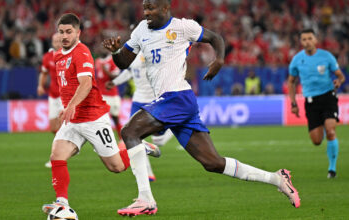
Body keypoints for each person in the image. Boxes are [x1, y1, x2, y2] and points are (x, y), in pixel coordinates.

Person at [103, 0, 300, 216]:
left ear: (165, 8)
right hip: (173, 102)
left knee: (130, 131)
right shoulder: (141, 30)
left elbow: (215, 38)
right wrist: (115, 52)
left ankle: (146, 198)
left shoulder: (183, 27)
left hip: (177, 96)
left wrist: (219, 59)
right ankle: (277, 179)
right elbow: (124, 62)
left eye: (151, 8)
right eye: (144, 8)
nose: (146, 12)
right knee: (212, 163)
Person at [41, 13, 161, 216]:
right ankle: (62, 203)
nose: (64, 36)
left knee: (116, 166)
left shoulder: (82, 53)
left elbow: (86, 84)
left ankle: (138, 148)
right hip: (73, 119)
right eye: (61, 32)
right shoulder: (58, 55)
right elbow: (67, 86)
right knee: (57, 155)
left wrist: (70, 106)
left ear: (78, 33)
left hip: (93, 118)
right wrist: (67, 107)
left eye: (69, 32)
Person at [106, 52, 174, 181]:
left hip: (155, 101)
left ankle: (173, 126)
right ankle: (148, 173)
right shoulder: (133, 53)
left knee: (159, 141)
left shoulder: (155, 50)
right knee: (133, 137)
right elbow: (129, 72)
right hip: (138, 101)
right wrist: (114, 82)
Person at [288, 29, 346, 179]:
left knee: (331, 131)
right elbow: (291, 81)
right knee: (317, 140)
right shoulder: (297, 59)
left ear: (315, 40)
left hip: (328, 97)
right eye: (304, 39)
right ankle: (327, 129)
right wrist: (293, 103)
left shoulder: (326, 56)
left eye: (309, 38)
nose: (307, 41)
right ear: (301, 42)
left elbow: (341, 76)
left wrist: (338, 81)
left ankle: (332, 169)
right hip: (311, 102)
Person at [37, 33, 63, 168]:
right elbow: (44, 73)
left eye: (59, 40)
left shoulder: (67, 55)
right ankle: (64, 149)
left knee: (62, 128)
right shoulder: (47, 57)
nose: (57, 43)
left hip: (65, 97)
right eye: (55, 41)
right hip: (53, 96)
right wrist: (40, 85)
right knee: (54, 128)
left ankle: (57, 158)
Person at [95, 47, 123, 139]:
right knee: (102, 120)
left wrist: (106, 71)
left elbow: (115, 76)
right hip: (101, 95)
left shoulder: (112, 60)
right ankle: (107, 140)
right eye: (100, 48)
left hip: (112, 95)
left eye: (104, 48)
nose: (101, 50)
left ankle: (121, 138)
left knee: (115, 118)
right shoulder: (97, 61)